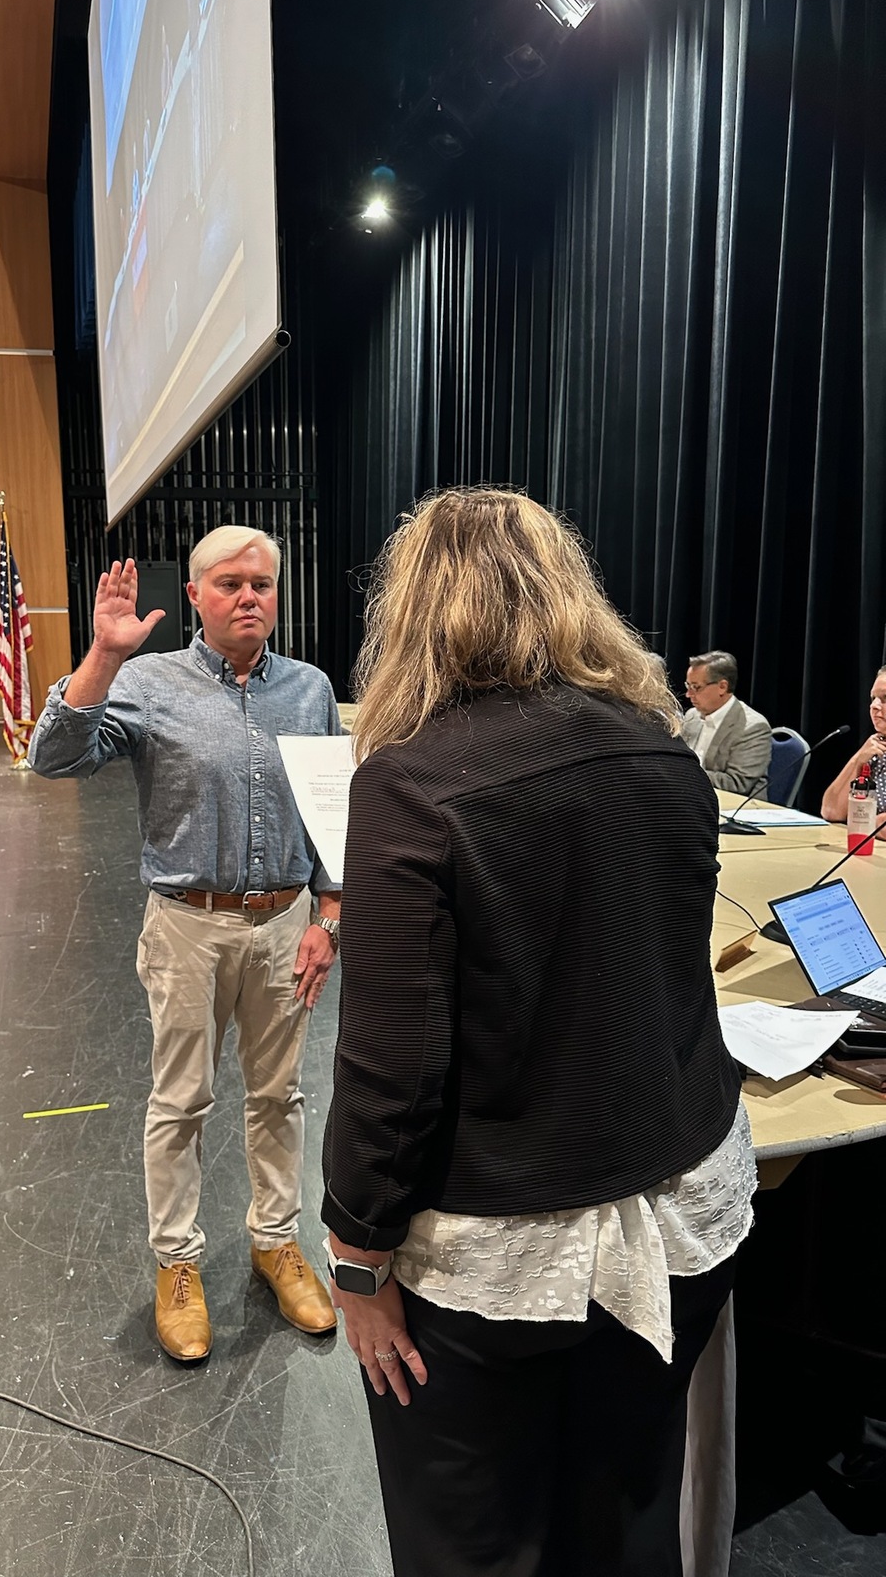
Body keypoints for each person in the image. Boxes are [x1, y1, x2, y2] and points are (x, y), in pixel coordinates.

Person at [321, 489, 756, 1577]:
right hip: (685, 1218)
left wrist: (359, 1259)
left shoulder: (410, 784)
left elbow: (393, 1069)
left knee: (474, 1547)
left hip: (503, 1265)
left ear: (415, 611)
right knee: (623, 1522)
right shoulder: (665, 756)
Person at [27, 528, 342, 1362]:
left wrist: (329, 917)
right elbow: (52, 758)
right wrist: (100, 653)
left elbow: (330, 817)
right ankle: (178, 1265)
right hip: (186, 927)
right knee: (181, 1103)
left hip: (284, 926)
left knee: (281, 1096)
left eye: (264, 584)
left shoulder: (310, 690)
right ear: (197, 596)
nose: (251, 598)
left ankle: (277, 1241)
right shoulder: (146, 681)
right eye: (232, 584)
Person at [679, 651, 772, 796]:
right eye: (688, 686)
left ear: (722, 686)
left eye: (696, 687)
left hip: (735, 808)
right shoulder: (692, 716)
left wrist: (684, 773)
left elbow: (737, 783)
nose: (688, 694)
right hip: (693, 797)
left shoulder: (753, 727)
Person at [821, 664, 886, 825]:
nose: (874, 705)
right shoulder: (876, 747)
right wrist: (858, 760)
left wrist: (869, 822)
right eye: (873, 698)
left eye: (885, 698)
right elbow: (831, 811)